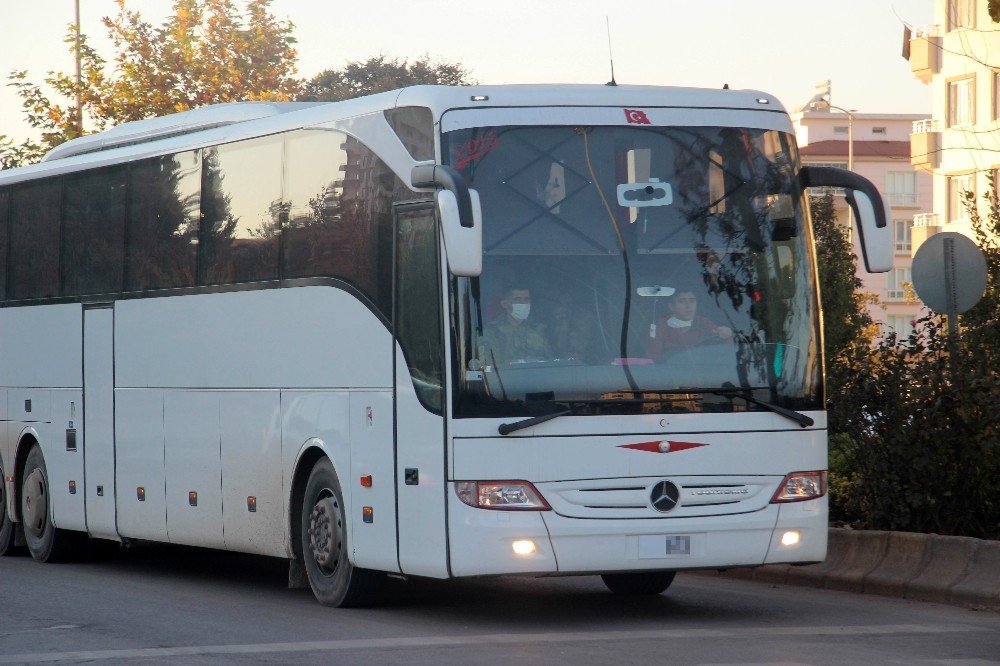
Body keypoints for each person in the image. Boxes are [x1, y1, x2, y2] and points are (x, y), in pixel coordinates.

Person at [645, 288, 733, 359]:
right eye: (682, 301)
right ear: (671, 307)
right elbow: (654, 358)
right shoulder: (659, 326)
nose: (688, 306)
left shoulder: (704, 323)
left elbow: (725, 353)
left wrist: (726, 335)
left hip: (702, 374)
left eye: (692, 301)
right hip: (671, 374)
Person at [479, 285, 552, 366]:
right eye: (517, 299)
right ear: (505, 304)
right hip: (506, 377)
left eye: (526, 299)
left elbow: (550, 361)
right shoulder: (492, 332)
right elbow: (490, 366)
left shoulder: (538, 329)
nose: (523, 303)